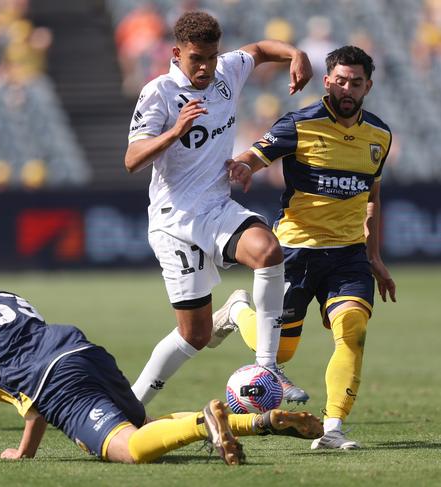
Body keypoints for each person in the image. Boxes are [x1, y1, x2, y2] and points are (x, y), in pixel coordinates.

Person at [0, 272, 323, 465]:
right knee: (144, 424)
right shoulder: (6, 298)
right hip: (82, 351)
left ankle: (208, 424)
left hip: (55, 378)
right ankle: (257, 421)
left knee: (131, 449)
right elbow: (32, 392)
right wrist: (25, 452)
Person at [124, 11, 312, 406]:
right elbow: (132, 159)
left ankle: (267, 366)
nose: (206, 67)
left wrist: (295, 53)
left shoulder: (227, 70)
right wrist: (175, 131)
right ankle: (130, 406)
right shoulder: (158, 93)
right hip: (174, 221)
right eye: (197, 59)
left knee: (268, 251)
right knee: (194, 335)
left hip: (216, 207)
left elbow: (259, 50)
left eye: (211, 56)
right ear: (177, 53)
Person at [220, 45, 397, 449]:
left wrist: (374, 256)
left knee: (352, 330)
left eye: (356, 82)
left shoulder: (379, 135)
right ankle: (237, 310)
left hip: (349, 255)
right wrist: (244, 165)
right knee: (280, 354)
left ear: (368, 85)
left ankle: (333, 428)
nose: (347, 88)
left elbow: (372, 194)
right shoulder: (299, 124)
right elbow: (256, 154)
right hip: (297, 251)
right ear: (327, 81)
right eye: (340, 80)